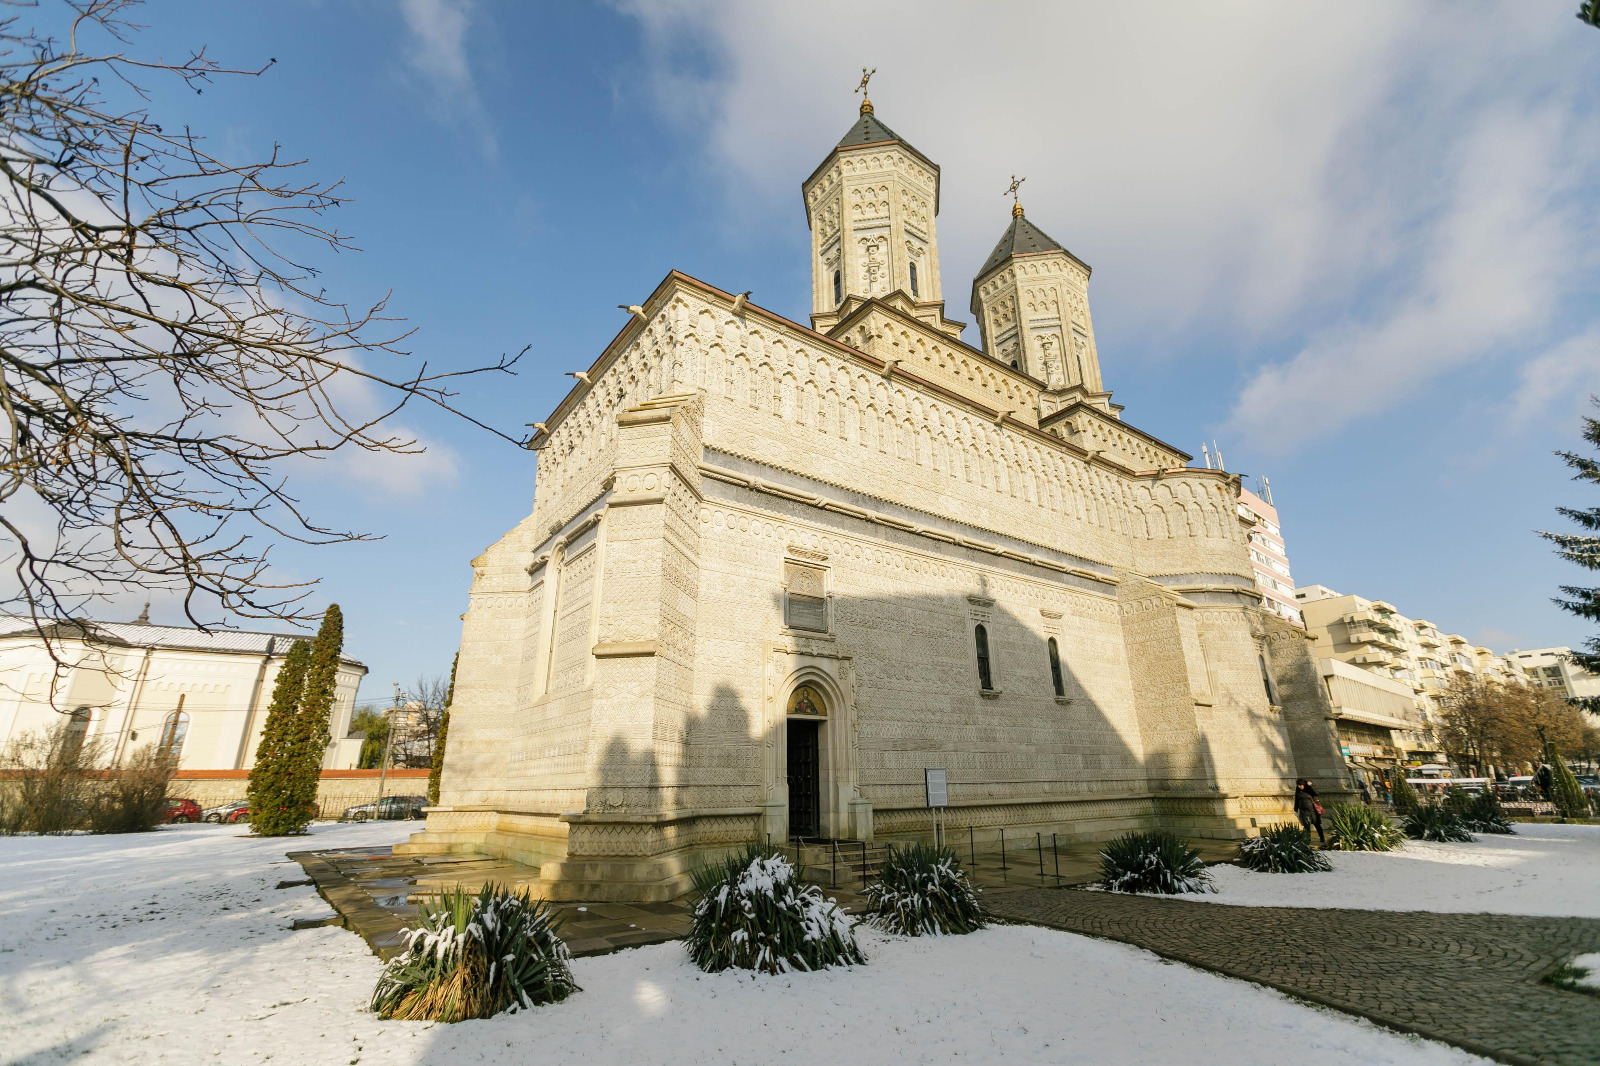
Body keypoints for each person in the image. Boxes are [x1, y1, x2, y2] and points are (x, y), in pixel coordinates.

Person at [1294, 778, 1325, 843]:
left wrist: (1311, 786)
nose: (1300, 787)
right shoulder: (1298, 790)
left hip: (1312, 810)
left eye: (1301, 785)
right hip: (1303, 810)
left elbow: (1316, 793)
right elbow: (1296, 799)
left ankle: (1322, 838)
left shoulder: (1309, 789)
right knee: (1306, 825)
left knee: (1317, 824)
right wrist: (1296, 808)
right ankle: (1308, 839)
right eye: (1298, 785)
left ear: (1304, 784)